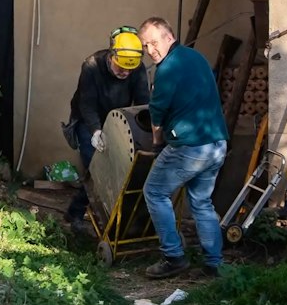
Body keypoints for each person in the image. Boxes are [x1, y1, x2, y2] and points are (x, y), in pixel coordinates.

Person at [137, 17, 228, 279]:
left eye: (154, 42)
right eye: (145, 46)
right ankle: (214, 263)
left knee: (154, 192)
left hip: (192, 147)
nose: (150, 50)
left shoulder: (166, 69)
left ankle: (173, 257)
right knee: (201, 202)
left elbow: (156, 113)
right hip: (217, 144)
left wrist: (156, 144)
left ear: (170, 37)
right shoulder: (195, 57)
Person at [62, 26, 151, 227]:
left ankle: (115, 220)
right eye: (121, 68)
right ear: (112, 55)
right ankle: (77, 216)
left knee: (120, 168)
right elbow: (87, 102)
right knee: (96, 166)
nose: (125, 72)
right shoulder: (92, 66)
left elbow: (143, 103)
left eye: (129, 69)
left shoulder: (137, 69)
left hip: (118, 119)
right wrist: (95, 131)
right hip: (88, 120)